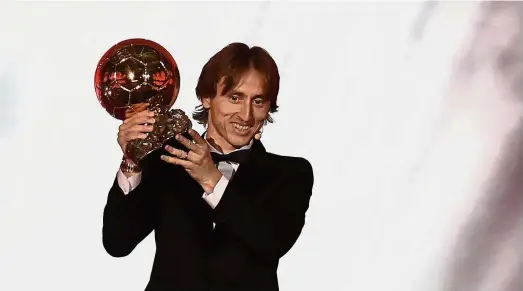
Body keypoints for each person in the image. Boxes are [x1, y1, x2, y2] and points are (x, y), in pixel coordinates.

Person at [102, 42, 314, 291]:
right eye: (235, 98)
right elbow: (118, 243)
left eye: (258, 101)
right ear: (207, 97)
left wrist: (212, 179)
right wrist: (131, 161)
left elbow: (272, 241)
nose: (246, 115)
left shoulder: (290, 174)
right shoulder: (168, 160)